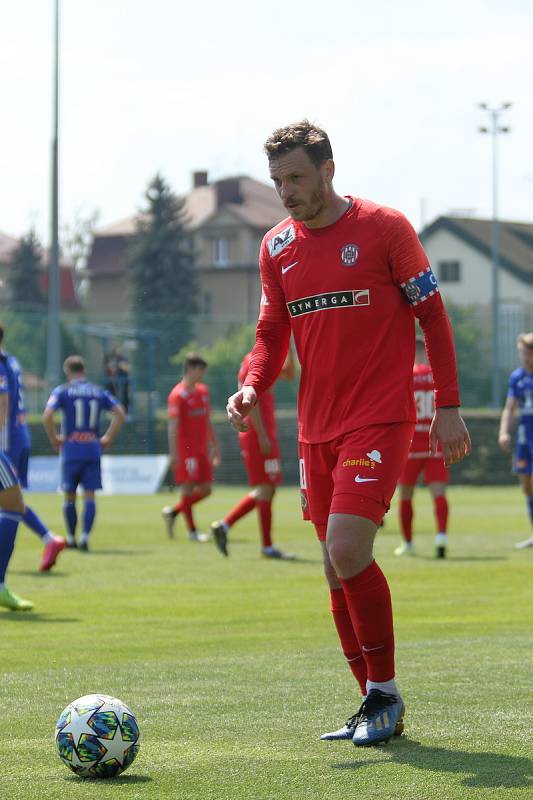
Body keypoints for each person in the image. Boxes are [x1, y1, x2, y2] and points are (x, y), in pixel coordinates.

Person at [226, 120, 470, 746]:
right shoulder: (276, 246)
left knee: (347, 549)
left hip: (379, 419)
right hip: (316, 430)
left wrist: (447, 405)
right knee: (334, 571)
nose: (287, 192)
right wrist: (253, 383)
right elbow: (270, 334)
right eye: (279, 181)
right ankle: (371, 701)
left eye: (298, 178)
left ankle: (385, 693)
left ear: (329, 169)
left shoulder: (386, 228)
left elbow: (433, 317)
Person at [211, 346, 296, 559]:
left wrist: (291, 349)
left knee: (268, 488)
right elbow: (252, 402)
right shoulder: (254, 362)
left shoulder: (265, 360)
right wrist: (262, 436)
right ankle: (230, 527)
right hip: (258, 435)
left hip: (264, 434)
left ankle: (236, 531)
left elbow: (290, 375)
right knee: (266, 488)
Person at [43, 355, 126, 551]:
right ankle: (85, 537)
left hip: (71, 448)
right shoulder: (98, 392)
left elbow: (47, 415)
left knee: (69, 496)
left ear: (68, 372)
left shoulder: (63, 391)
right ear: (84, 371)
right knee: (90, 496)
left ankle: (71, 537)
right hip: (92, 448)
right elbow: (120, 413)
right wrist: (107, 438)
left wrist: (55, 438)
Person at [0, 323, 65, 572]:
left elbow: (2, 402)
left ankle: (49, 538)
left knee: (11, 502)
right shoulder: (12, 360)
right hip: (18, 434)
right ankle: (50, 539)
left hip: (7, 440)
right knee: (11, 500)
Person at [395, 336, 450, 558]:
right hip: (434, 444)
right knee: (438, 492)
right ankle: (441, 537)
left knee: (406, 495)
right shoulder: (437, 378)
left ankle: (408, 543)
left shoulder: (407, 376)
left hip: (410, 445)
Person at [161, 353, 220, 542]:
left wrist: (215, 445)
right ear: (191, 369)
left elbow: (207, 421)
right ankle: (192, 532)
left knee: (206, 489)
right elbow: (173, 425)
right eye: (200, 370)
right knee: (187, 489)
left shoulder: (203, 391)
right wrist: (174, 454)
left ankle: (173, 512)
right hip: (186, 451)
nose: (202, 374)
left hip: (202, 449)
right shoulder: (177, 395)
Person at [498, 331, 533, 549]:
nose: (524, 356)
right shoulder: (517, 377)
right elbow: (509, 408)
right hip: (523, 439)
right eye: (521, 352)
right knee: (526, 487)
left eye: (527, 352)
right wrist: (503, 432)